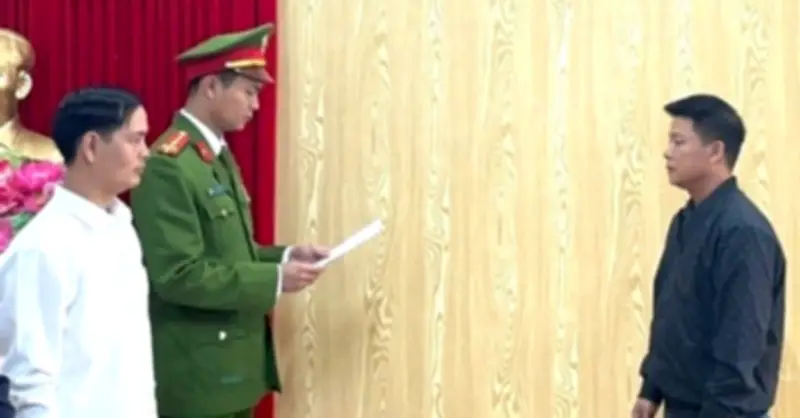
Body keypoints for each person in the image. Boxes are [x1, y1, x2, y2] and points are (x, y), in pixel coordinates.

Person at [129, 23, 329, 418]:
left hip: (232, 367)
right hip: (198, 375)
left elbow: (228, 251)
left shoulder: (213, 155)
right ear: (210, 88)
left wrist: (287, 256)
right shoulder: (169, 165)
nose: (256, 106)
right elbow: (178, 274)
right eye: (249, 92)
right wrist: (276, 279)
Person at [0, 87, 156, 417]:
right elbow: (30, 381)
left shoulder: (122, 227)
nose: (146, 152)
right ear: (91, 146)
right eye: (135, 139)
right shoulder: (43, 248)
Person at [632, 94, 786, 418]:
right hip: (683, 407)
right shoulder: (685, 221)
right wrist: (651, 389)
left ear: (715, 151)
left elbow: (740, 347)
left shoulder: (744, 234)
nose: (667, 152)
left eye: (678, 142)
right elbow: (672, 317)